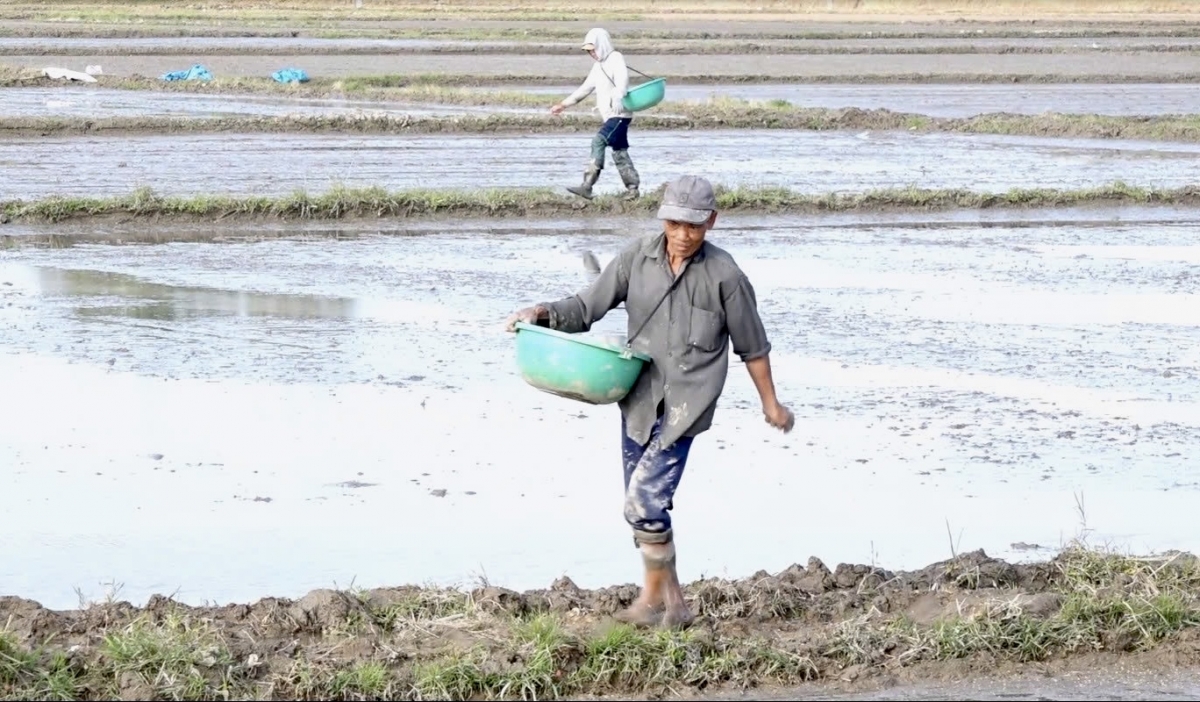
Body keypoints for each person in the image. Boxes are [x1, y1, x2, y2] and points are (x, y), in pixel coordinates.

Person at [504, 175, 795, 630]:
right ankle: (675, 607)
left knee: (643, 502)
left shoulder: (726, 277)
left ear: (711, 223)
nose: (683, 234)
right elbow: (586, 307)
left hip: (687, 405)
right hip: (639, 399)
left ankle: (650, 598)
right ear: (663, 218)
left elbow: (753, 347)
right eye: (675, 223)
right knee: (642, 508)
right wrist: (540, 312)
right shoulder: (635, 258)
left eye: (694, 226)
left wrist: (771, 404)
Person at [550, 27, 641, 201]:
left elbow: (622, 79)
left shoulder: (616, 58)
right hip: (611, 116)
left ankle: (587, 185)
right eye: (589, 51)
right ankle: (632, 189)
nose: (592, 53)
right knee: (619, 151)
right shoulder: (598, 66)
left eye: (593, 49)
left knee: (598, 141)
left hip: (620, 115)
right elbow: (585, 88)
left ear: (602, 45)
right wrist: (563, 105)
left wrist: (618, 95)